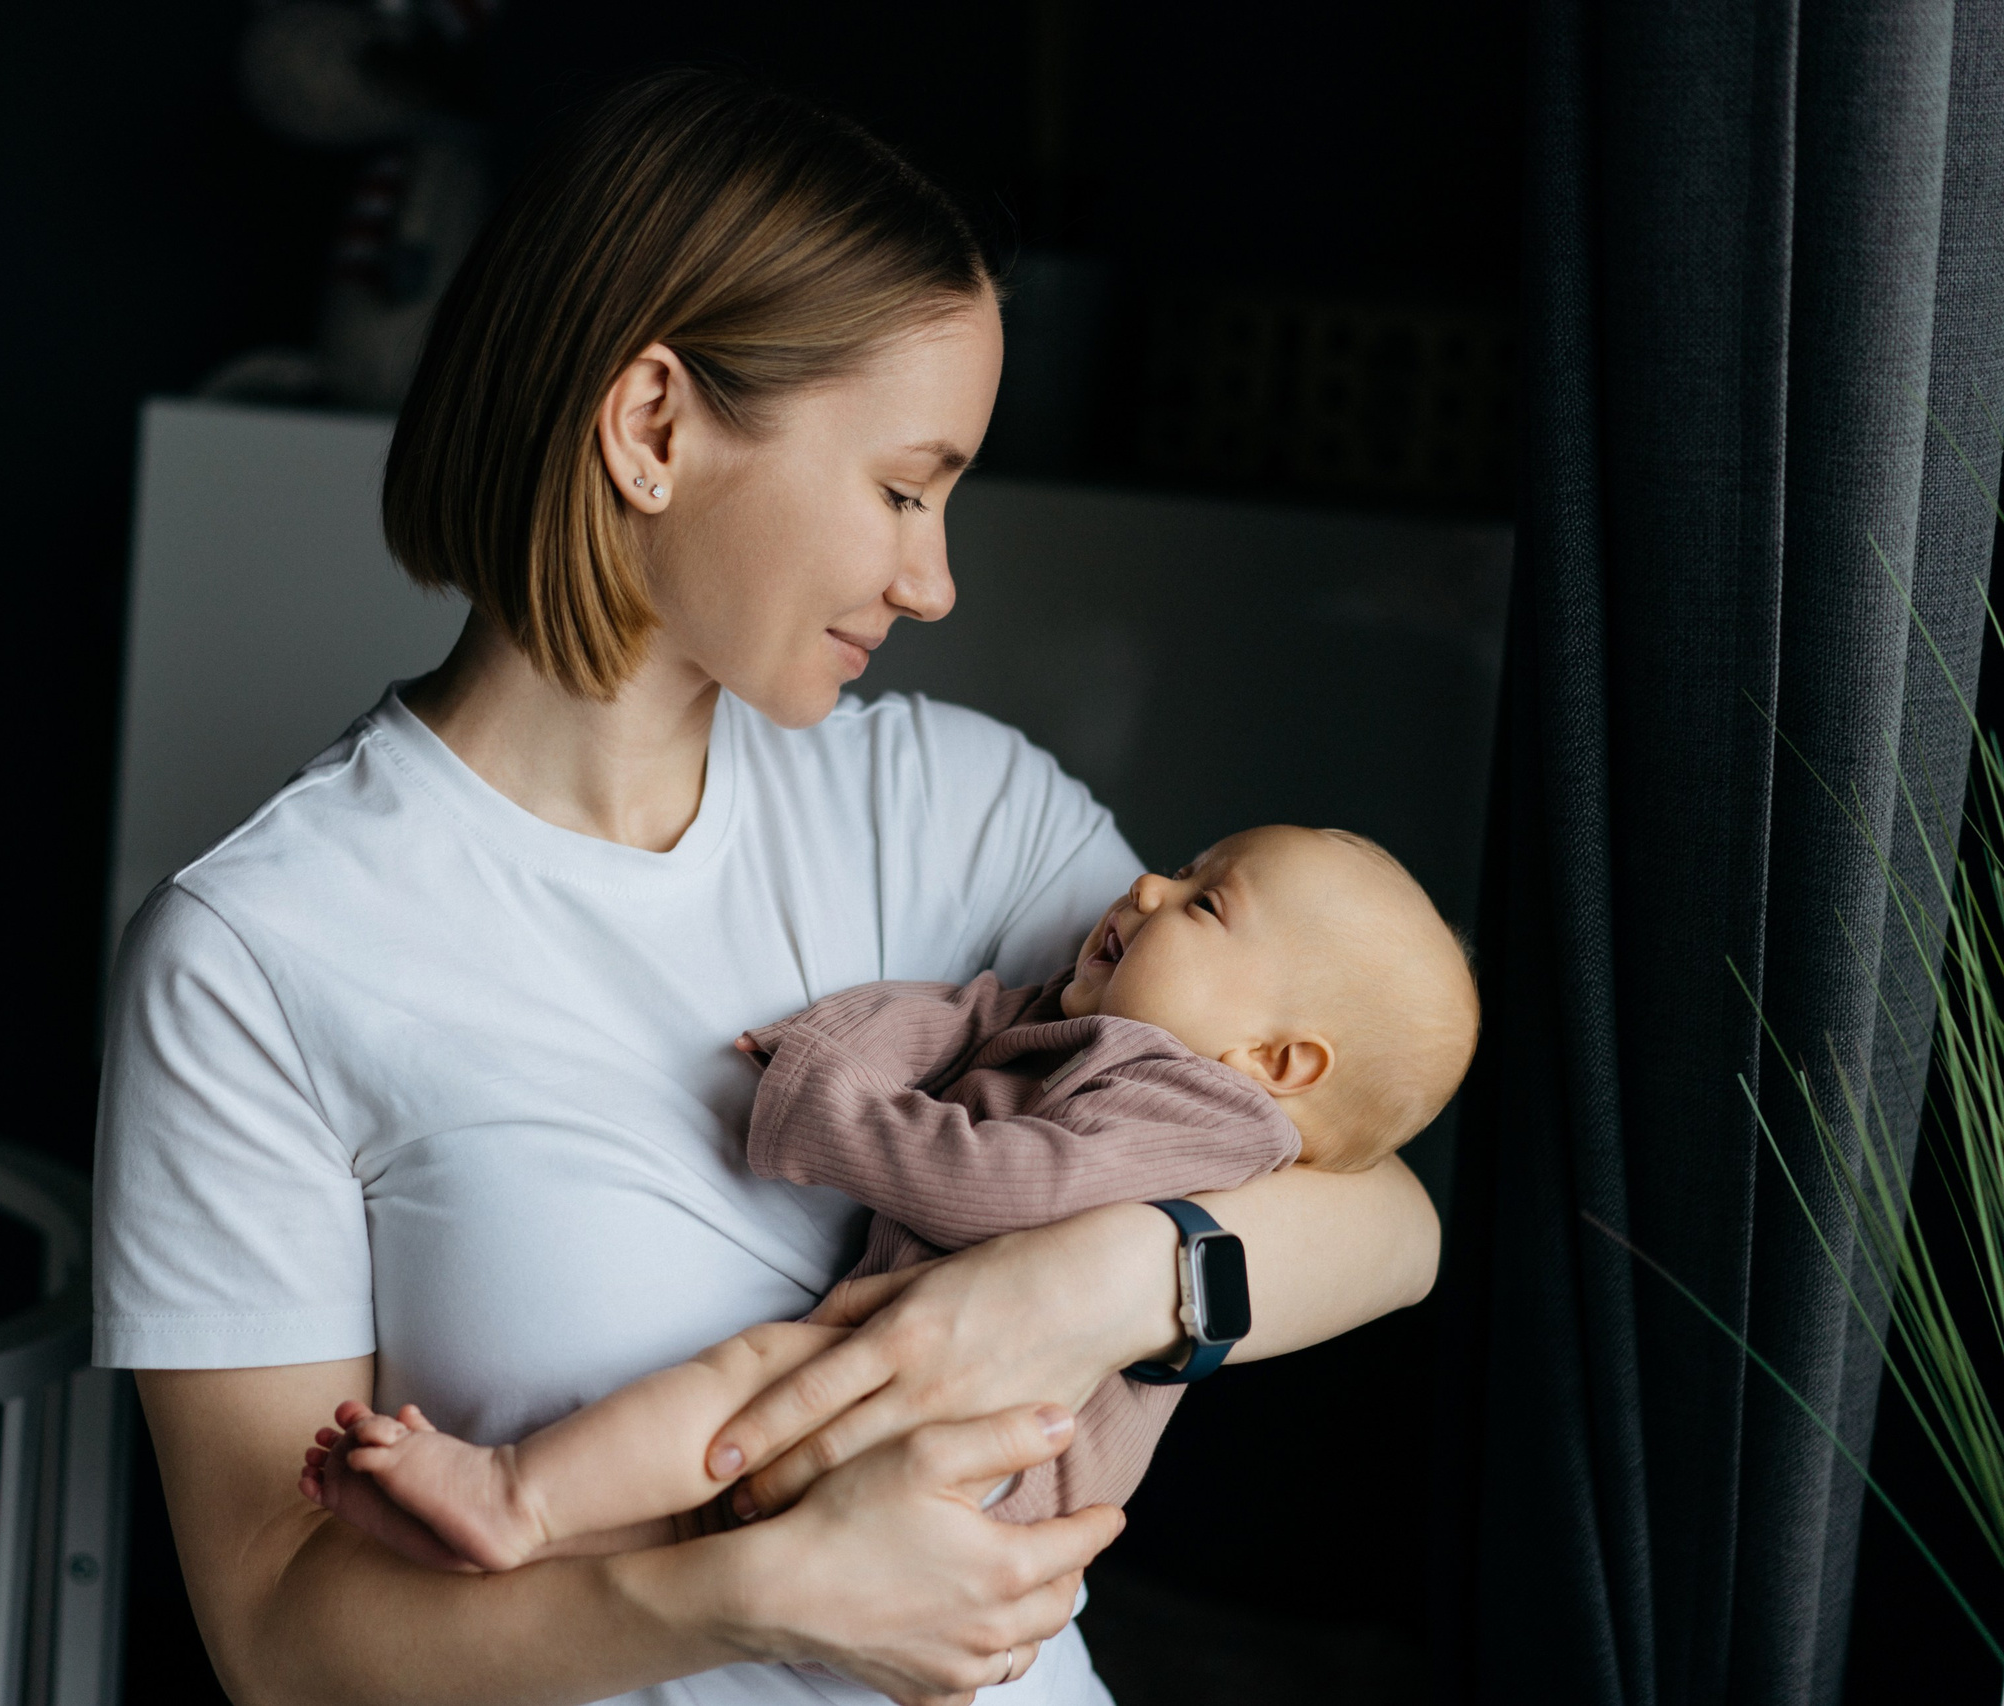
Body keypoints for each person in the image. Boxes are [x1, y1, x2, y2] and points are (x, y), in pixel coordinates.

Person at [96, 69, 1443, 1706]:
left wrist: (1101, 1282)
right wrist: (751, 1593)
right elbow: (281, 1641)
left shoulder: (960, 809)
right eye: (903, 488)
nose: (933, 581)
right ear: (654, 427)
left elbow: (1387, 1212)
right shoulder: (255, 953)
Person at [296, 826, 1478, 1572]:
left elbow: (1017, 1187)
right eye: (1186, 864)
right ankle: (515, 1534)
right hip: (926, 1405)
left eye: (1208, 903)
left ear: (1277, 1061)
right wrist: (831, 1044)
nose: (1151, 883)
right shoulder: (1087, 1023)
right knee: (734, 1473)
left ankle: (519, 1497)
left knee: (755, 1376)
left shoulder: (1206, 1112)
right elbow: (956, 1017)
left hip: (1004, 1458)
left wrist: (830, 1111)